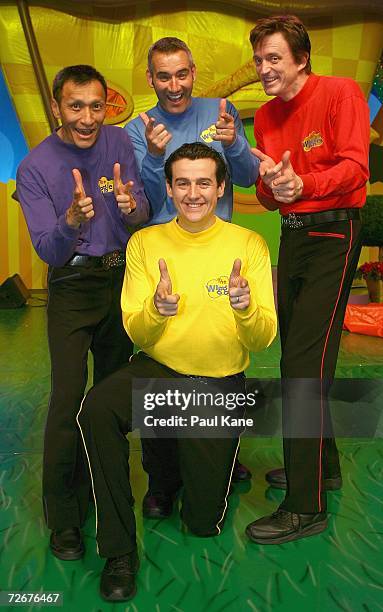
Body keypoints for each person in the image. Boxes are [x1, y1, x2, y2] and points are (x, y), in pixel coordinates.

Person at [77, 142, 277, 602]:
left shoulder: (249, 245)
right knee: (97, 410)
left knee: (203, 524)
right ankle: (119, 550)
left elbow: (262, 339)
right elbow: (137, 331)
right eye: (182, 183)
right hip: (160, 372)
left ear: (220, 187)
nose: (193, 193)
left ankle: (175, 463)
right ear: (168, 188)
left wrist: (245, 309)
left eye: (203, 182)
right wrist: (158, 309)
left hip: (218, 385)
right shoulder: (146, 243)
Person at [245, 15, 370, 544]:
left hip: (334, 235)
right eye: (258, 60)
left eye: (274, 58)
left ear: (301, 58)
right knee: (307, 358)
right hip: (293, 236)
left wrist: (305, 181)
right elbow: (274, 195)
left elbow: (355, 170)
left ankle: (305, 506)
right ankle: (325, 468)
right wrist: (276, 186)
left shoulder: (341, 93)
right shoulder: (267, 117)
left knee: (302, 364)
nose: (264, 69)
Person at [16, 65, 149, 560]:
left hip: (119, 280)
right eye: (76, 106)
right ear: (56, 107)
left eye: (97, 105)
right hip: (71, 285)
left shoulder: (118, 143)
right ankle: (64, 516)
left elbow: (137, 216)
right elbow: (49, 251)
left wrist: (133, 204)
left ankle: (103, 490)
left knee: (113, 394)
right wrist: (72, 219)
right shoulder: (35, 166)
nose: (88, 117)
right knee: (69, 397)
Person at [126, 37, 259, 510]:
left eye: (182, 74)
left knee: (223, 355)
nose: (174, 85)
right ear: (150, 79)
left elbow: (244, 177)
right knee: (163, 364)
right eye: (164, 76)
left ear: (194, 71)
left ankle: (225, 450)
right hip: (164, 256)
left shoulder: (221, 109)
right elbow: (142, 207)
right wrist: (151, 158)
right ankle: (161, 478)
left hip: (219, 253)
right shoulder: (137, 126)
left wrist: (236, 141)